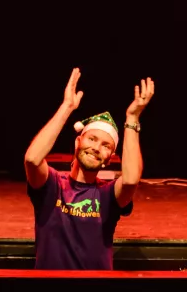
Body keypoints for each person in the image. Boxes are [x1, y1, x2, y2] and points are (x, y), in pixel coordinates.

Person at [24, 68, 154, 269]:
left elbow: (130, 180)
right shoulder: (52, 184)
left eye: (105, 145)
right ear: (77, 143)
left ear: (109, 159)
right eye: (92, 139)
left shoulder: (107, 194)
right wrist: (67, 107)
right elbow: (32, 159)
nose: (96, 148)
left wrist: (132, 118)